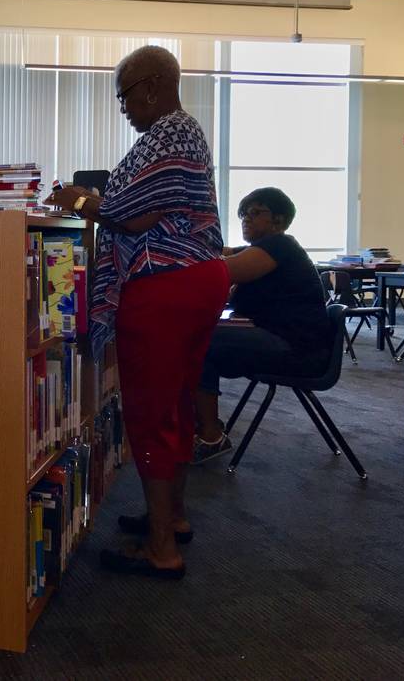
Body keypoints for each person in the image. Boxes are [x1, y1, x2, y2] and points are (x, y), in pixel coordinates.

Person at [48, 45, 229, 580]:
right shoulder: (179, 133)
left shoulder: (171, 132)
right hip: (195, 279)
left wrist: (76, 200)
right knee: (176, 403)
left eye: (124, 96)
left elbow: (130, 215)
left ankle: (160, 550)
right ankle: (171, 518)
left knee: (151, 412)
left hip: (165, 284)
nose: (123, 107)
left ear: (150, 86)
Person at [192, 187, 332, 464]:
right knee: (197, 336)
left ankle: (211, 435)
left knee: (197, 340)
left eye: (256, 213)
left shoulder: (279, 245)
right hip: (284, 339)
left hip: (297, 349)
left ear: (279, 219)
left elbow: (223, 270)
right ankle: (200, 424)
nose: (247, 218)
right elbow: (221, 253)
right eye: (244, 213)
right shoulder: (261, 248)